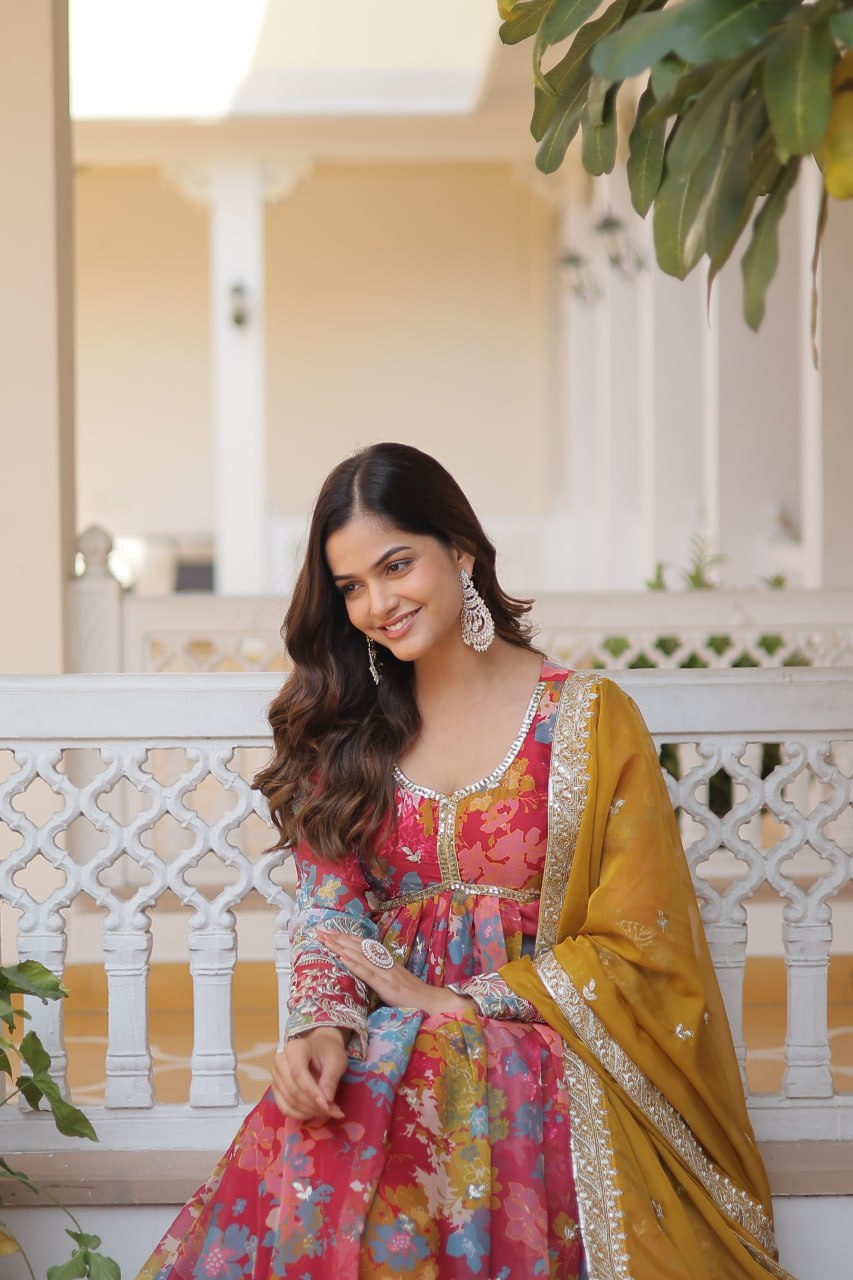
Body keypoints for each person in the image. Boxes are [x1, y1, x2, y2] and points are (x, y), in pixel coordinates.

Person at [137, 442, 792, 1280]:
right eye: (350, 587)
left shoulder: (588, 722)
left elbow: (641, 942)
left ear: (461, 549)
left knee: (431, 1076)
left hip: (548, 1050)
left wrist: (461, 1000)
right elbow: (329, 912)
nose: (376, 603)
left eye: (395, 565)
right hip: (381, 1046)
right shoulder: (346, 728)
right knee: (342, 1115)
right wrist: (322, 1027)